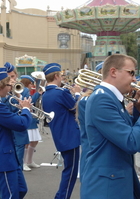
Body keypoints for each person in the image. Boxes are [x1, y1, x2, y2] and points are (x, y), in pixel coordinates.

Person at [80, 54, 140, 199]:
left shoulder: (110, 97)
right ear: (113, 72)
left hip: (114, 180)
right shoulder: (102, 98)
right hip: (107, 186)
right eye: (131, 73)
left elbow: (125, 133)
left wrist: (138, 112)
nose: (135, 79)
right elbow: (131, 142)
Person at [0, 67, 32, 199]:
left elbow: (11, 120)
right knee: (10, 195)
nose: (11, 88)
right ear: (0, 86)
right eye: (9, 85)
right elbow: (21, 125)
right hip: (1, 158)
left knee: (21, 190)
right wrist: (26, 109)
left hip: (7, 157)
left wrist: (22, 110)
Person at [41, 63, 81, 199]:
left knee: (69, 170)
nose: (63, 78)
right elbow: (75, 108)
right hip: (70, 136)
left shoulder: (46, 94)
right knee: (71, 172)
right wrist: (76, 93)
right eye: (62, 75)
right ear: (56, 76)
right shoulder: (60, 92)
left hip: (61, 135)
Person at [4, 62, 30, 172]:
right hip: (7, 128)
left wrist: (19, 96)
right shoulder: (3, 91)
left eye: (13, 76)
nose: (11, 79)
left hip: (19, 127)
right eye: (8, 77)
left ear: (16, 76)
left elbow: (27, 108)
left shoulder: (24, 90)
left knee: (18, 160)